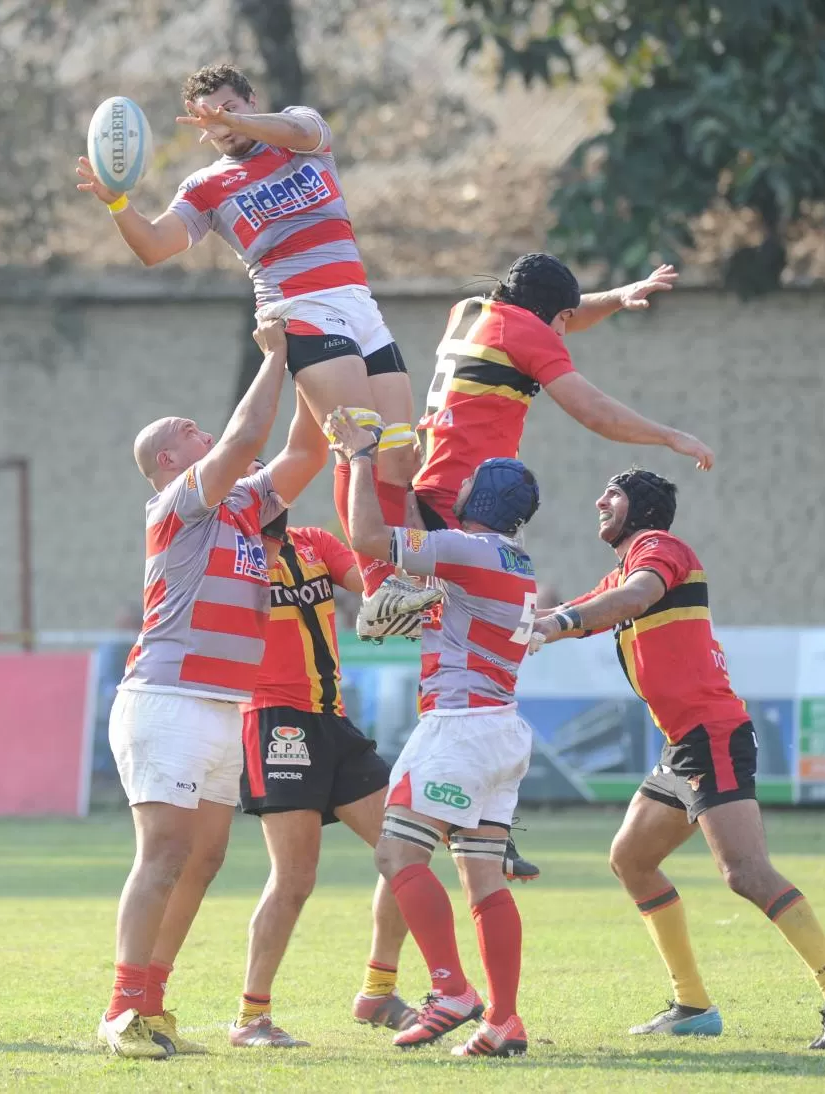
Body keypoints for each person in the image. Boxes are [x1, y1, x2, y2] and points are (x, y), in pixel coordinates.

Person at [75, 62, 436, 636]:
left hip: (360, 304)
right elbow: (155, 246)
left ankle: (416, 581)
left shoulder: (301, 131)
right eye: (209, 120)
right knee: (356, 439)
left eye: (230, 110)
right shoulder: (206, 186)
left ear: (251, 100)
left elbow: (295, 133)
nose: (221, 126)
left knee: (399, 458)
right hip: (297, 309)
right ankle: (380, 590)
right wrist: (118, 203)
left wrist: (244, 122)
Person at [530, 468, 825, 1050]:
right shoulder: (623, 570)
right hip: (684, 743)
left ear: (639, 507)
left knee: (744, 872)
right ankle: (693, 1006)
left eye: (611, 493)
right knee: (631, 859)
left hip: (712, 735)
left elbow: (629, 599)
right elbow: (586, 610)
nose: (598, 502)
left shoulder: (659, 550)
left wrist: (556, 622)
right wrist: (518, 624)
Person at [97, 319, 327, 1059]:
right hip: (167, 699)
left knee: (204, 859)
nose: (200, 429)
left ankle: (154, 1005)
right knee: (163, 852)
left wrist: (318, 373)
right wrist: (278, 355)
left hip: (221, 705)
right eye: (185, 430)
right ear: (170, 460)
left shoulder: (241, 506)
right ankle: (123, 1010)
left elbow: (303, 450)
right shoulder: (178, 503)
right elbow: (244, 439)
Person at [331, 405, 542, 1059]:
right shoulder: (515, 558)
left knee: (397, 856)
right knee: (483, 880)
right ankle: (503, 1020)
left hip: (458, 727)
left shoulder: (462, 548)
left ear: (471, 499)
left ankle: (451, 991)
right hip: (500, 729)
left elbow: (368, 536)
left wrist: (361, 456)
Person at [231, 509, 416, 1047]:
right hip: (274, 720)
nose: (269, 488)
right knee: (294, 878)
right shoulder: (227, 554)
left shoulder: (312, 542)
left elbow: (372, 585)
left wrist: (413, 586)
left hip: (332, 719)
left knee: (405, 848)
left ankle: (378, 991)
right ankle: (250, 1018)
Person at [410, 253, 715, 534]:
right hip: (464, 497)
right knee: (475, 593)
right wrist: (670, 437)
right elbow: (596, 412)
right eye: (564, 317)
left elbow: (556, 317)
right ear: (542, 311)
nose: (563, 331)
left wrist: (619, 297)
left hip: (429, 479)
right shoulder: (526, 330)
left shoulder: (469, 312)